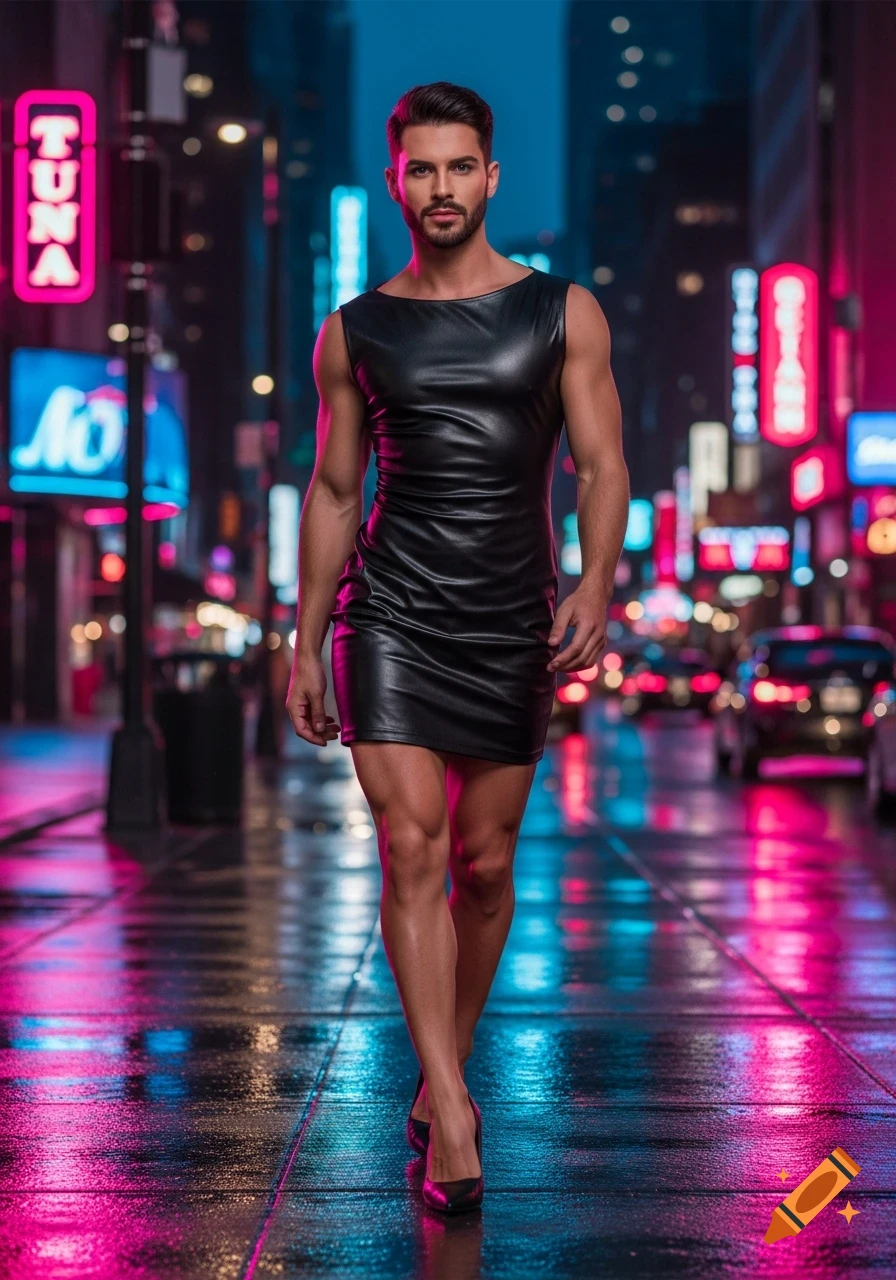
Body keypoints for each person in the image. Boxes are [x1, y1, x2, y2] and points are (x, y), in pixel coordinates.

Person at [287, 81, 629, 1213]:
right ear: (398, 181)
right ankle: (451, 1101)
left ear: (490, 177)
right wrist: (303, 639)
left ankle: (444, 1074)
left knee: (485, 867)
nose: (439, 189)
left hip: (507, 618)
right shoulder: (355, 327)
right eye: (419, 170)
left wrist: (592, 576)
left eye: (458, 168)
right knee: (412, 845)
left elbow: (602, 465)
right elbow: (336, 488)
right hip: (384, 613)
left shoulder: (562, 312)